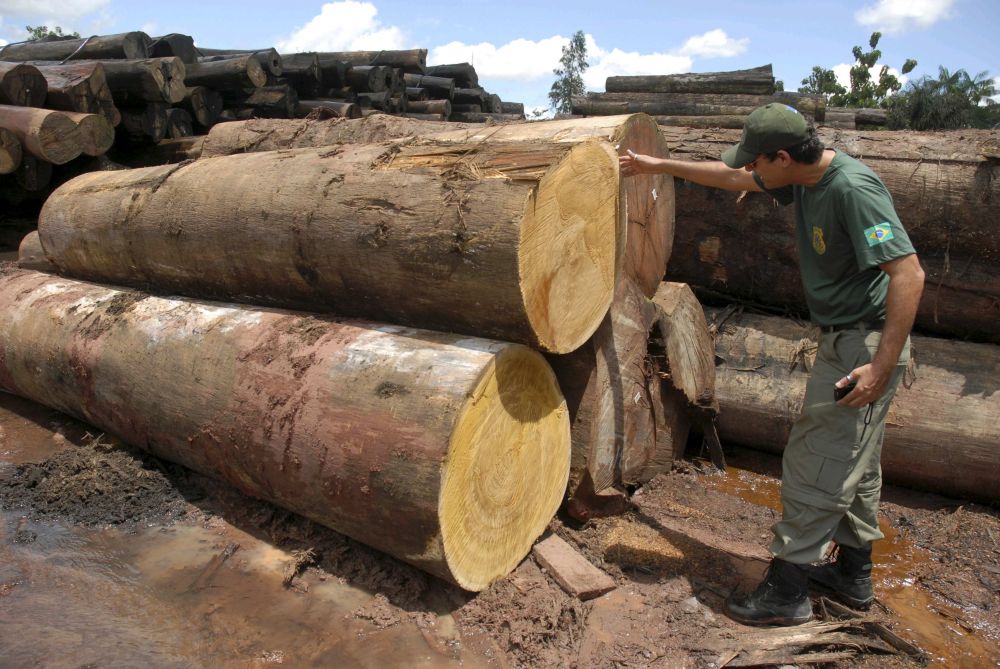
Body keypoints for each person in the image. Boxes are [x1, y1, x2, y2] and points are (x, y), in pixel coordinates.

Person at [620, 103, 925, 626]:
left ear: (783, 156)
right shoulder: (802, 176)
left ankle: (787, 591)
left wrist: (880, 365)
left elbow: (909, 274)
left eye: (758, 164)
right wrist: (656, 166)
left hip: (865, 346)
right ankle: (854, 576)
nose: (751, 174)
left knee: (819, 459)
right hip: (847, 337)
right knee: (857, 461)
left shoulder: (853, 190)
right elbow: (728, 175)